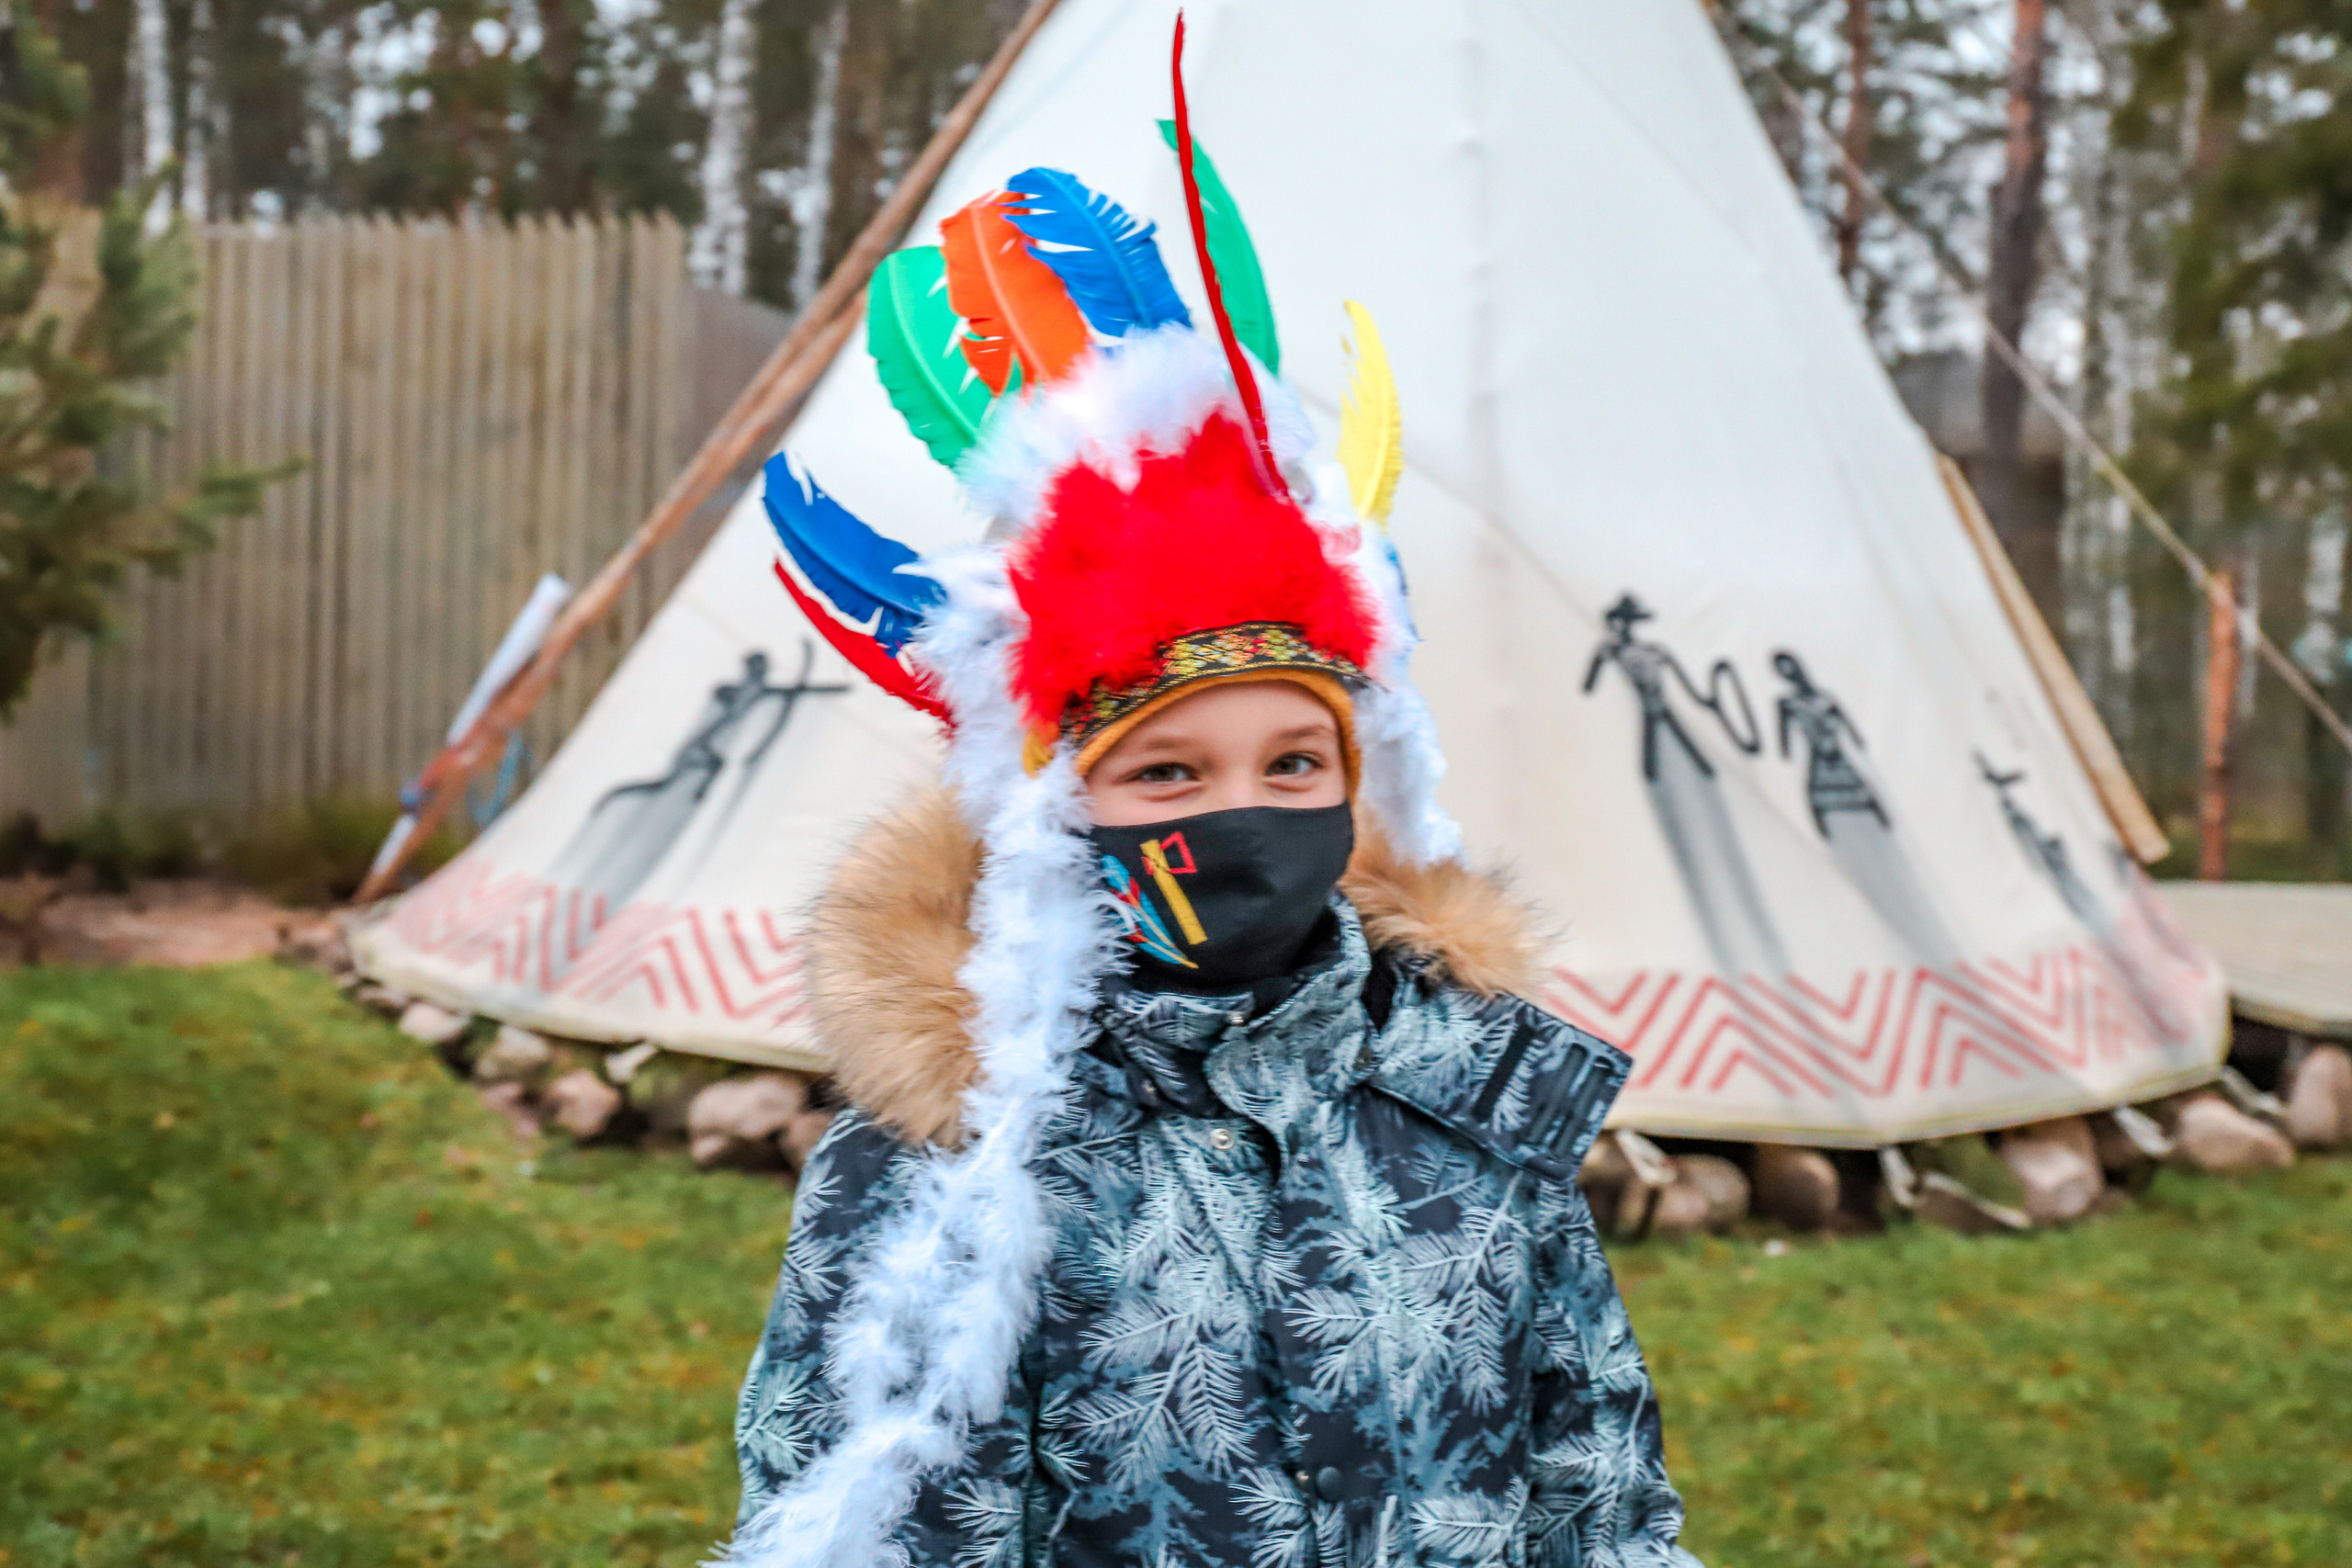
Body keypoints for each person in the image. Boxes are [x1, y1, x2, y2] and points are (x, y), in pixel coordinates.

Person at [718, 96, 1700, 1568]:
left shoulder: (1473, 1105)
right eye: (1168, 776)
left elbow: (1600, 1495)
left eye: (1296, 759)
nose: (1247, 814)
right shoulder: (948, 1166)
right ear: (1061, 815)